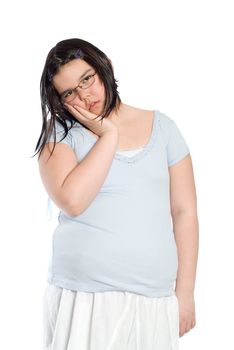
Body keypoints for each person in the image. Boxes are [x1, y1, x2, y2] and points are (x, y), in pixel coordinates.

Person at [35, 38, 199, 350]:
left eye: (87, 79)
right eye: (70, 92)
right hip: (84, 299)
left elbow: (184, 212)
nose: (84, 95)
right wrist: (109, 135)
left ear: (105, 66)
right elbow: (73, 201)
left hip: (153, 300)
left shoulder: (163, 129)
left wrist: (186, 293)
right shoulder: (60, 136)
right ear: (60, 100)